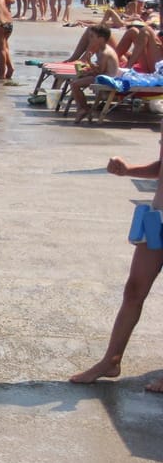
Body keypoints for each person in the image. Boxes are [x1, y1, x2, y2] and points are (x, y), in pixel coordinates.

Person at [70, 142, 163, 394]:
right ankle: (111, 361)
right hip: (158, 216)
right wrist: (128, 169)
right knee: (133, 291)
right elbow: (161, 166)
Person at [68, 26, 120, 124]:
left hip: (107, 79)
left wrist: (89, 63)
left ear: (101, 39)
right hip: (102, 75)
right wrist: (87, 71)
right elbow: (99, 69)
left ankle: (83, 109)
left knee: (75, 84)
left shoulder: (105, 52)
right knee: (76, 81)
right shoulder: (100, 49)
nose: (90, 39)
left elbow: (100, 71)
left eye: (92, 37)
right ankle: (82, 108)